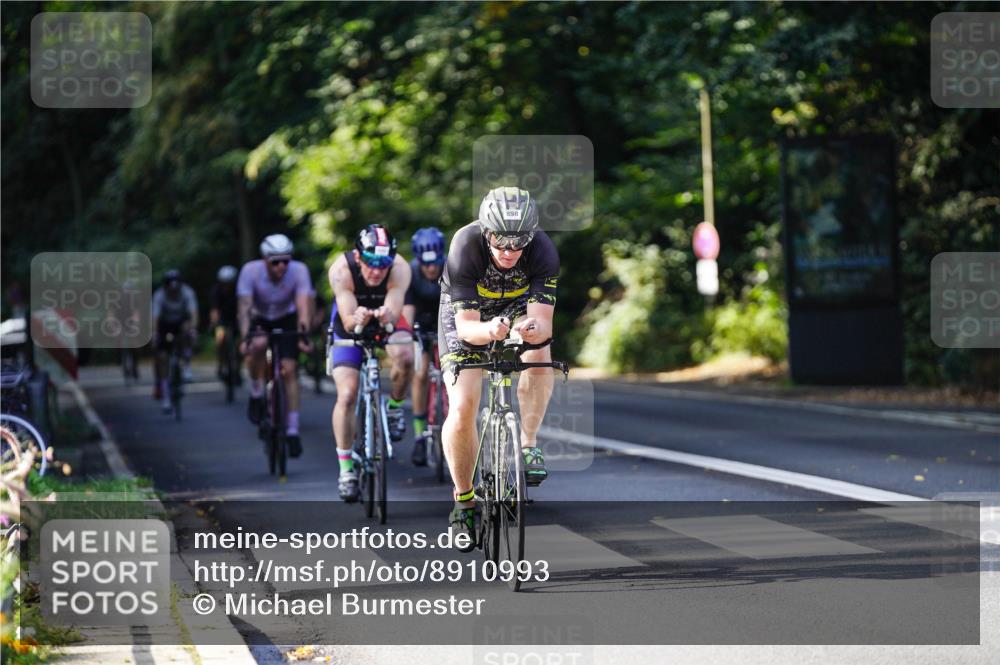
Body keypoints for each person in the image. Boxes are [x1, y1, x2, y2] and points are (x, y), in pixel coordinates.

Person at [439, 187, 559, 550]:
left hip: (519, 309)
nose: (508, 252)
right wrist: (490, 331)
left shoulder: (543, 250)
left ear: (531, 237)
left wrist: (530, 329)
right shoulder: (465, 245)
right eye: (500, 243)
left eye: (517, 243)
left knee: (539, 353)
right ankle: (464, 503)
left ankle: (529, 443)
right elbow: (465, 328)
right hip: (468, 317)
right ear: (486, 232)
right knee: (462, 407)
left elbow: (544, 323)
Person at [328, 224, 413, 502]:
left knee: (405, 355)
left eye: (383, 263)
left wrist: (386, 316)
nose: (377, 271)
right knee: (348, 393)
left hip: (384, 316)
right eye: (370, 263)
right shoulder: (341, 270)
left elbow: (394, 312)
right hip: (350, 320)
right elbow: (349, 320)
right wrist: (359, 318)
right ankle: (346, 470)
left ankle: (395, 407)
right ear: (357, 256)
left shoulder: (400, 268)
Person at [237, 234, 313, 457]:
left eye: (286, 261)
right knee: (258, 345)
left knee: (289, 370)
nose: (282, 266)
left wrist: (303, 335)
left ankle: (292, 429)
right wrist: (246, 338)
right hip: (259, 317)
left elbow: (303, 306)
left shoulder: (299, 271)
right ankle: (257, 392)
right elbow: (244, 308)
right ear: (264, 260)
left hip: (286, 317)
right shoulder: (250, 271)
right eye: (275, 262)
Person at [402, 227, 446, 467]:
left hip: (445, 322)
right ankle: (420, 435)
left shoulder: (453, 268)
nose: (431, 269)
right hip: (419, 322)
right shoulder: (410, 273)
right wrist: (408, 335)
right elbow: (406, 313)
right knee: (419, 373)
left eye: (435, 263)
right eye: (426, 264)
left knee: (453, 374)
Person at [151, 269, 198, 413]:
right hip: (164, 325)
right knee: (163, 358)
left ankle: (186, 365)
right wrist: (154, 333)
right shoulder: (159, 295)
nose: (174, 292)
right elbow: (155, 318)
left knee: (187, 331)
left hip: (181, 323)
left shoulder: (187, 292)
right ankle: (165, 395)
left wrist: (193, 328)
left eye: (176, 289)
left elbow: (194, 313)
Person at [209, 265, 239, 383]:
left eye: (229, 283)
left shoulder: (239, 290)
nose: (227, 286)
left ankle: (237, 369)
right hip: (222, 320)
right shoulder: (216, 291)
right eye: (224, 283)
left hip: (236, 318)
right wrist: (214, 322)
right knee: (220, 339)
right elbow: (214, 310)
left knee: (239, 343)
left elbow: (243, 306)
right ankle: (221, 365)